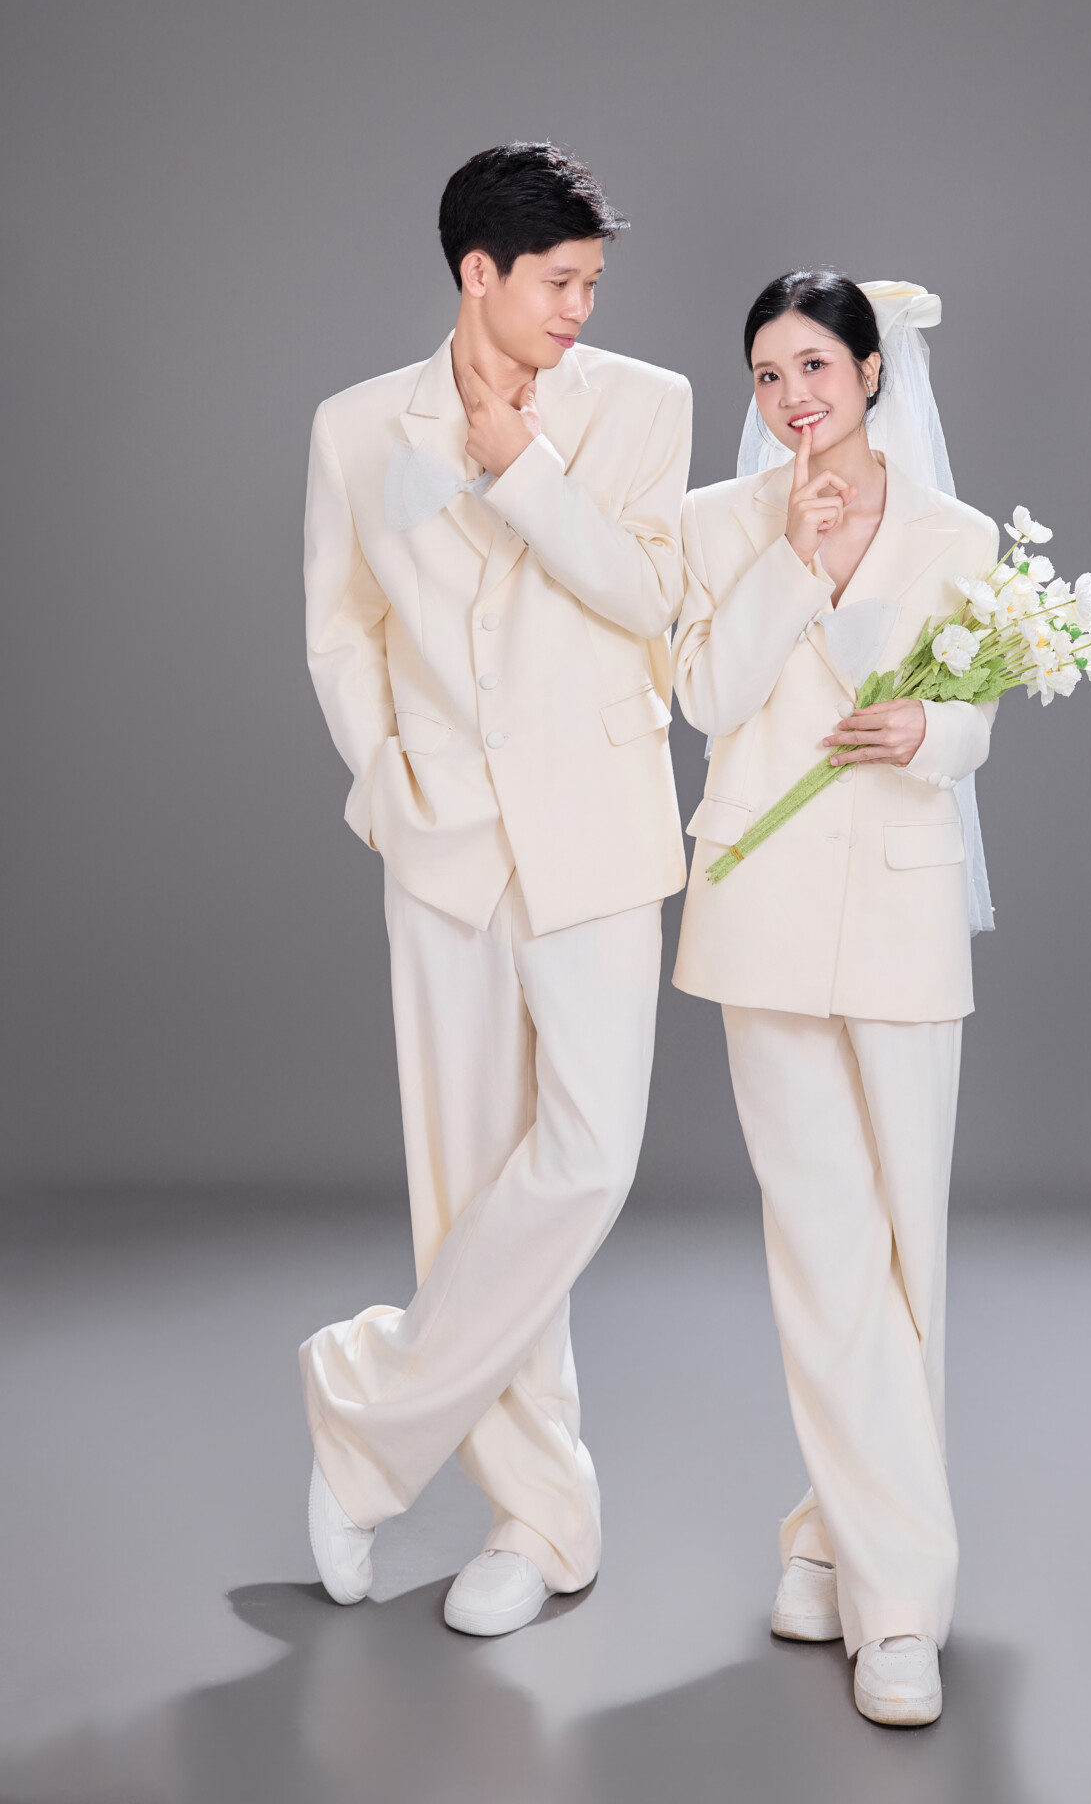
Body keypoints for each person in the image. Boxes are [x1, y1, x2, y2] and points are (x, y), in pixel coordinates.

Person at [300, 142, 691, 1636]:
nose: (582, 309)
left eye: (592, 284)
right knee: (466, 1185)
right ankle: (540, 1521)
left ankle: (366, 1410)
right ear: (480, 273)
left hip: (598, 832)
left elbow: (648, 597)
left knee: (585, 1159)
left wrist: (519, 464)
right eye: (560, 283)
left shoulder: (643, 407)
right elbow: (339, 628)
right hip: (443, 842)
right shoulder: (355, 427)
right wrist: (387, 778)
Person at [671, 271, 998, 1726]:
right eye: (766, 373)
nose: (791, 395)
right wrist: (789, 563)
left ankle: (832, 1542)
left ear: (871, 371)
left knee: (903, 1252)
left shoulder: (957, 535)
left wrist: (932, 727)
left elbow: (975, 717)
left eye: (814, 364)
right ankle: (898, 1605)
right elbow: (704, 699)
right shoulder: (718, 522)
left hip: (904, 914)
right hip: (762, 914)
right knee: (818, 1249)